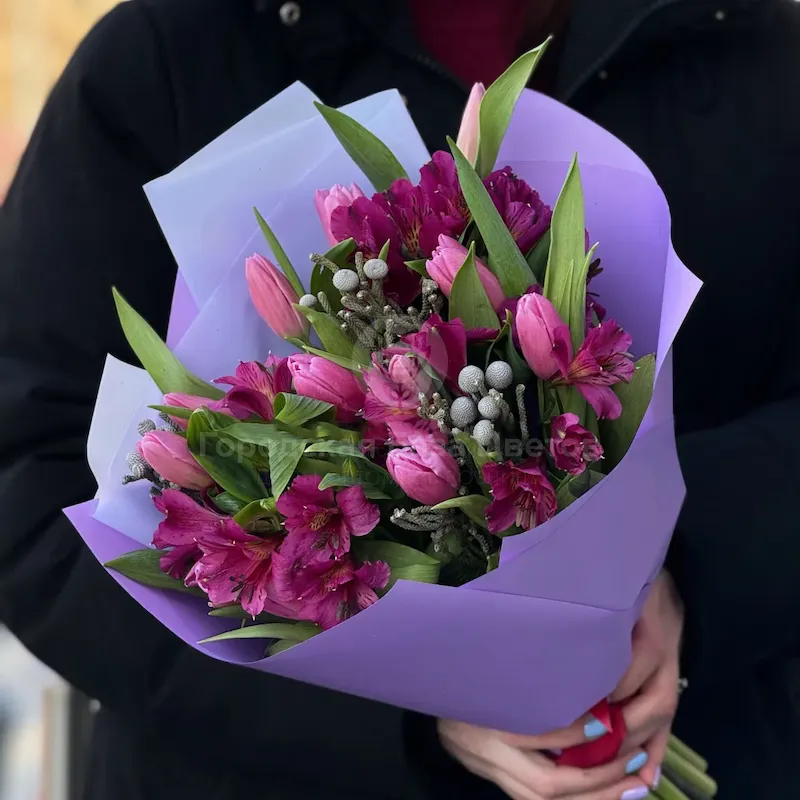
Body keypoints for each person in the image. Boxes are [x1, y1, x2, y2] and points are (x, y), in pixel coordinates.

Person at [1, 0, 798, 798]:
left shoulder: (746, 42)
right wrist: (404, 710)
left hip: (715, 733)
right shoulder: (173, 58)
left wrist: (681, 571)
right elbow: (24, 482)